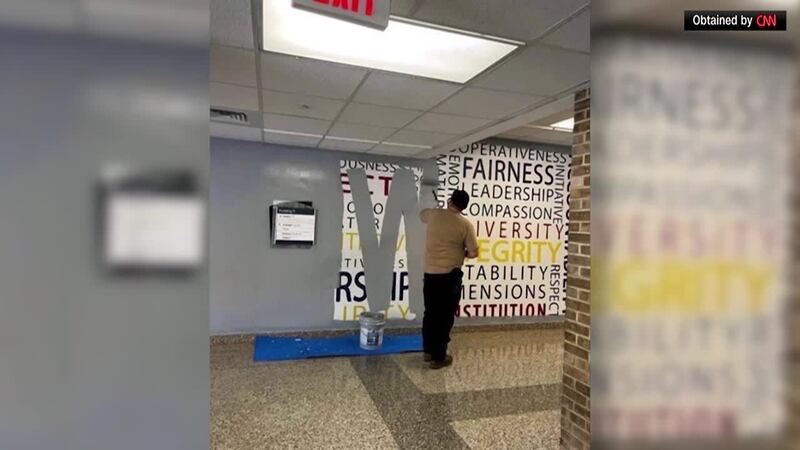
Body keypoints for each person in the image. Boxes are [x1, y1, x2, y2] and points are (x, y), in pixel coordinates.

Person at [419, 189, 479, 369]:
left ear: (450, 200)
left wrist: (438, 208)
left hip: (430, 274)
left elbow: (421, 215)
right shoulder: (465, 225)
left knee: (430, 313)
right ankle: (439, 357)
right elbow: (474, 252)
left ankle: (428, 351)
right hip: (450, 277)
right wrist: (463, 252)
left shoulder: (433, 215)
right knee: (444, 316)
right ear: (464, 206)